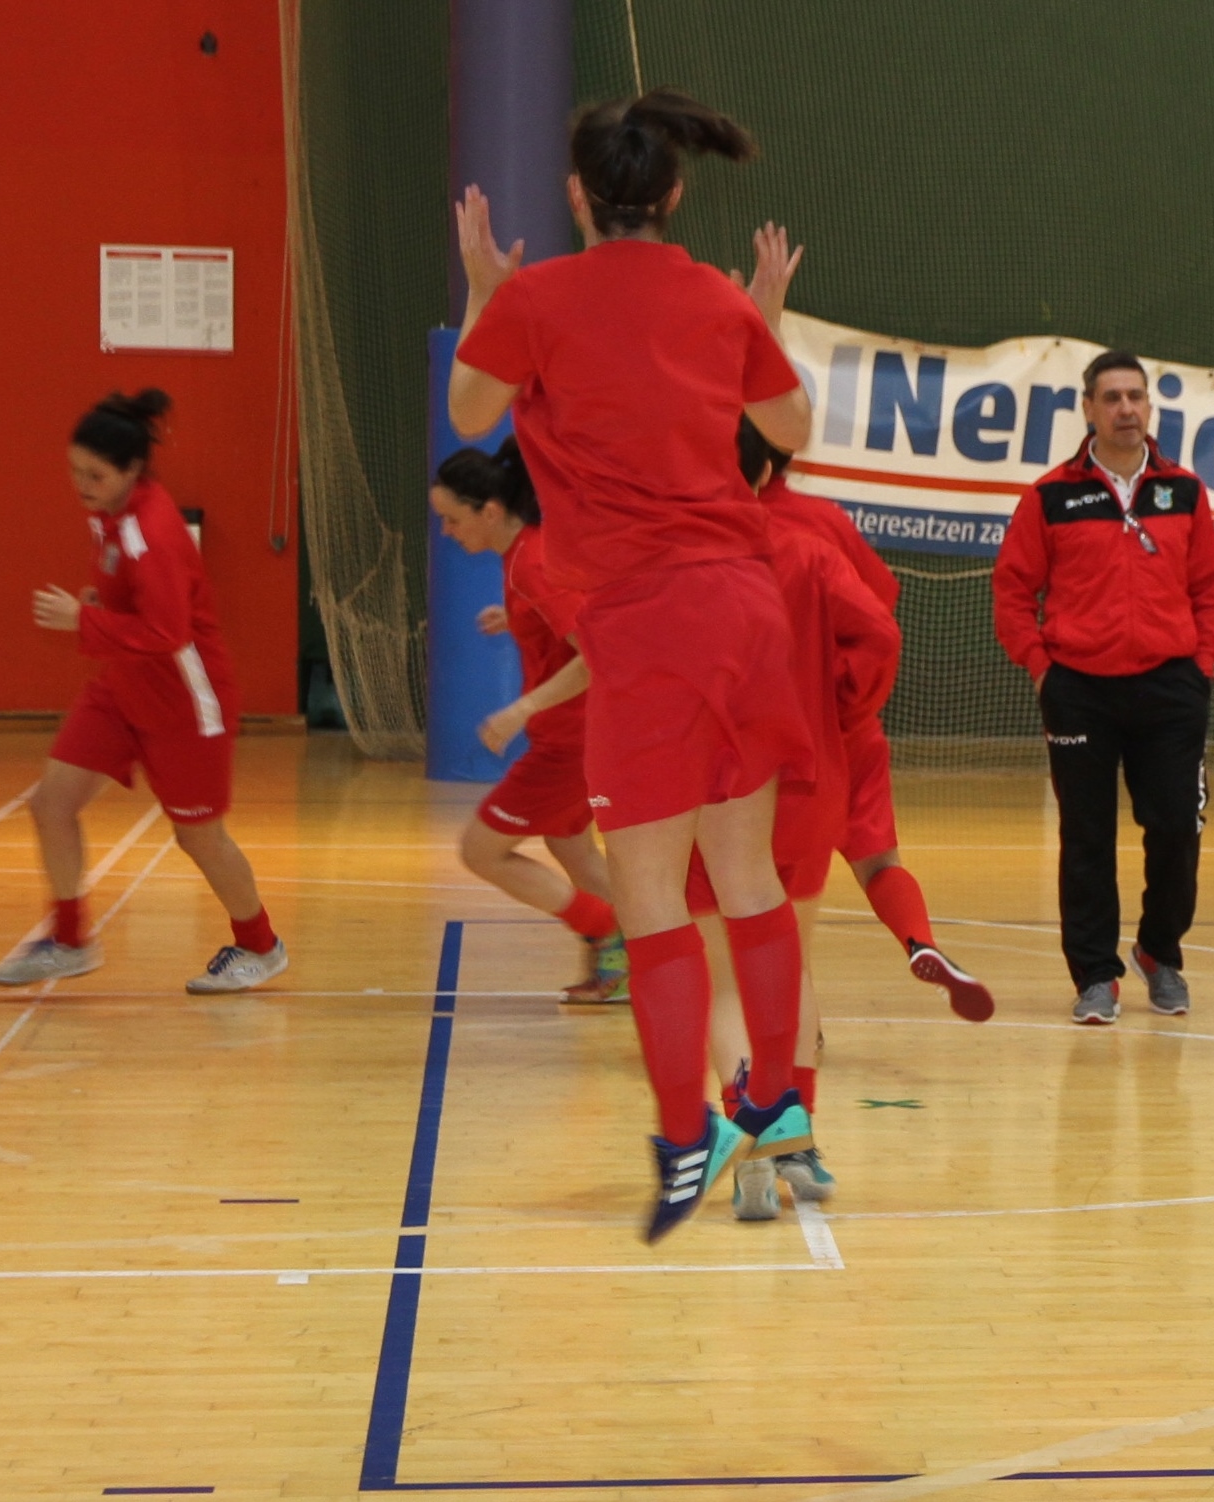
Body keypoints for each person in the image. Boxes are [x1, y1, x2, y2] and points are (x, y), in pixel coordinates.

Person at [448, 89, 820, 1242]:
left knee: (654, 897)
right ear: (673, 193)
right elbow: (793, 431)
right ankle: (773, 1106)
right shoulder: (712, 296)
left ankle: (690, 1131)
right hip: (744, 609)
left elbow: (469, 414)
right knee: (749, 878)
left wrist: (479, 286)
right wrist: (758, 313)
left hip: (648, 625)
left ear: (576, 194)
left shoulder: (533, 298)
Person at [0, 390, 287, 995]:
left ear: (131, 470)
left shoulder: (150, 533)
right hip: (123, 686)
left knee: (198, 837)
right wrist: (101, 610)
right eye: (75, 470)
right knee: (51, 804)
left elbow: (167, 631)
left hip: (185, 702)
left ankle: (260, 945)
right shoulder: (111, 511)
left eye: (94, 475)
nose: (81, 484)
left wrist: (83, 620)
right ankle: (71, 940)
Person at [692, 421, 903, 1219]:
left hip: (706, 787)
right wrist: (842, 704)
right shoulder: (809, 549)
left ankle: (753, 1137)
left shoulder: (667, 559)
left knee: (724, 980)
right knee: (793, 962)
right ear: (764, 473)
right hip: (808, 779)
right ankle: (796, 1136)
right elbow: (878, 631)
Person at [993, 350, 1214, 1025]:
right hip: (1079, 692)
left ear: (1149, 407)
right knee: (1087, 838)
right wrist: (1043, 669)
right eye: (1113, 397)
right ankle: (1096, 975)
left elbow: (1211, 585)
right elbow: (1013, 592)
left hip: (1171, 690)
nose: (1127, 408)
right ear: (1088, 409)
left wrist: (1200, 664)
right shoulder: (1050, 496)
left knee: (1177, 832)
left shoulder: (1183, 489)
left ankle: (1160, 953)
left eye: (1137, 397)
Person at [757, 440, 992, 1021]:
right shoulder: (826, 521)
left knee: (776, 908)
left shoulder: (726, 535)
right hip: (850, 727)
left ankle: (794, 1045)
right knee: (879, 861)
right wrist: (852, 699)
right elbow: (880, 609)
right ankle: (919, 940)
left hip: (777, 742)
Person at [426, 440, 627, 1003]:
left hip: (570, 742)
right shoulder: (525, 557)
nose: (446, 531)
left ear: (489, 511)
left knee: (479, 850)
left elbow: (595, 655)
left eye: (452, 519)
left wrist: (521, 708)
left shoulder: (533, 564)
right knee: (573, 850)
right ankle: (652, 952)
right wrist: (518, 621)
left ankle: (606, 929)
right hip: (580, 736)